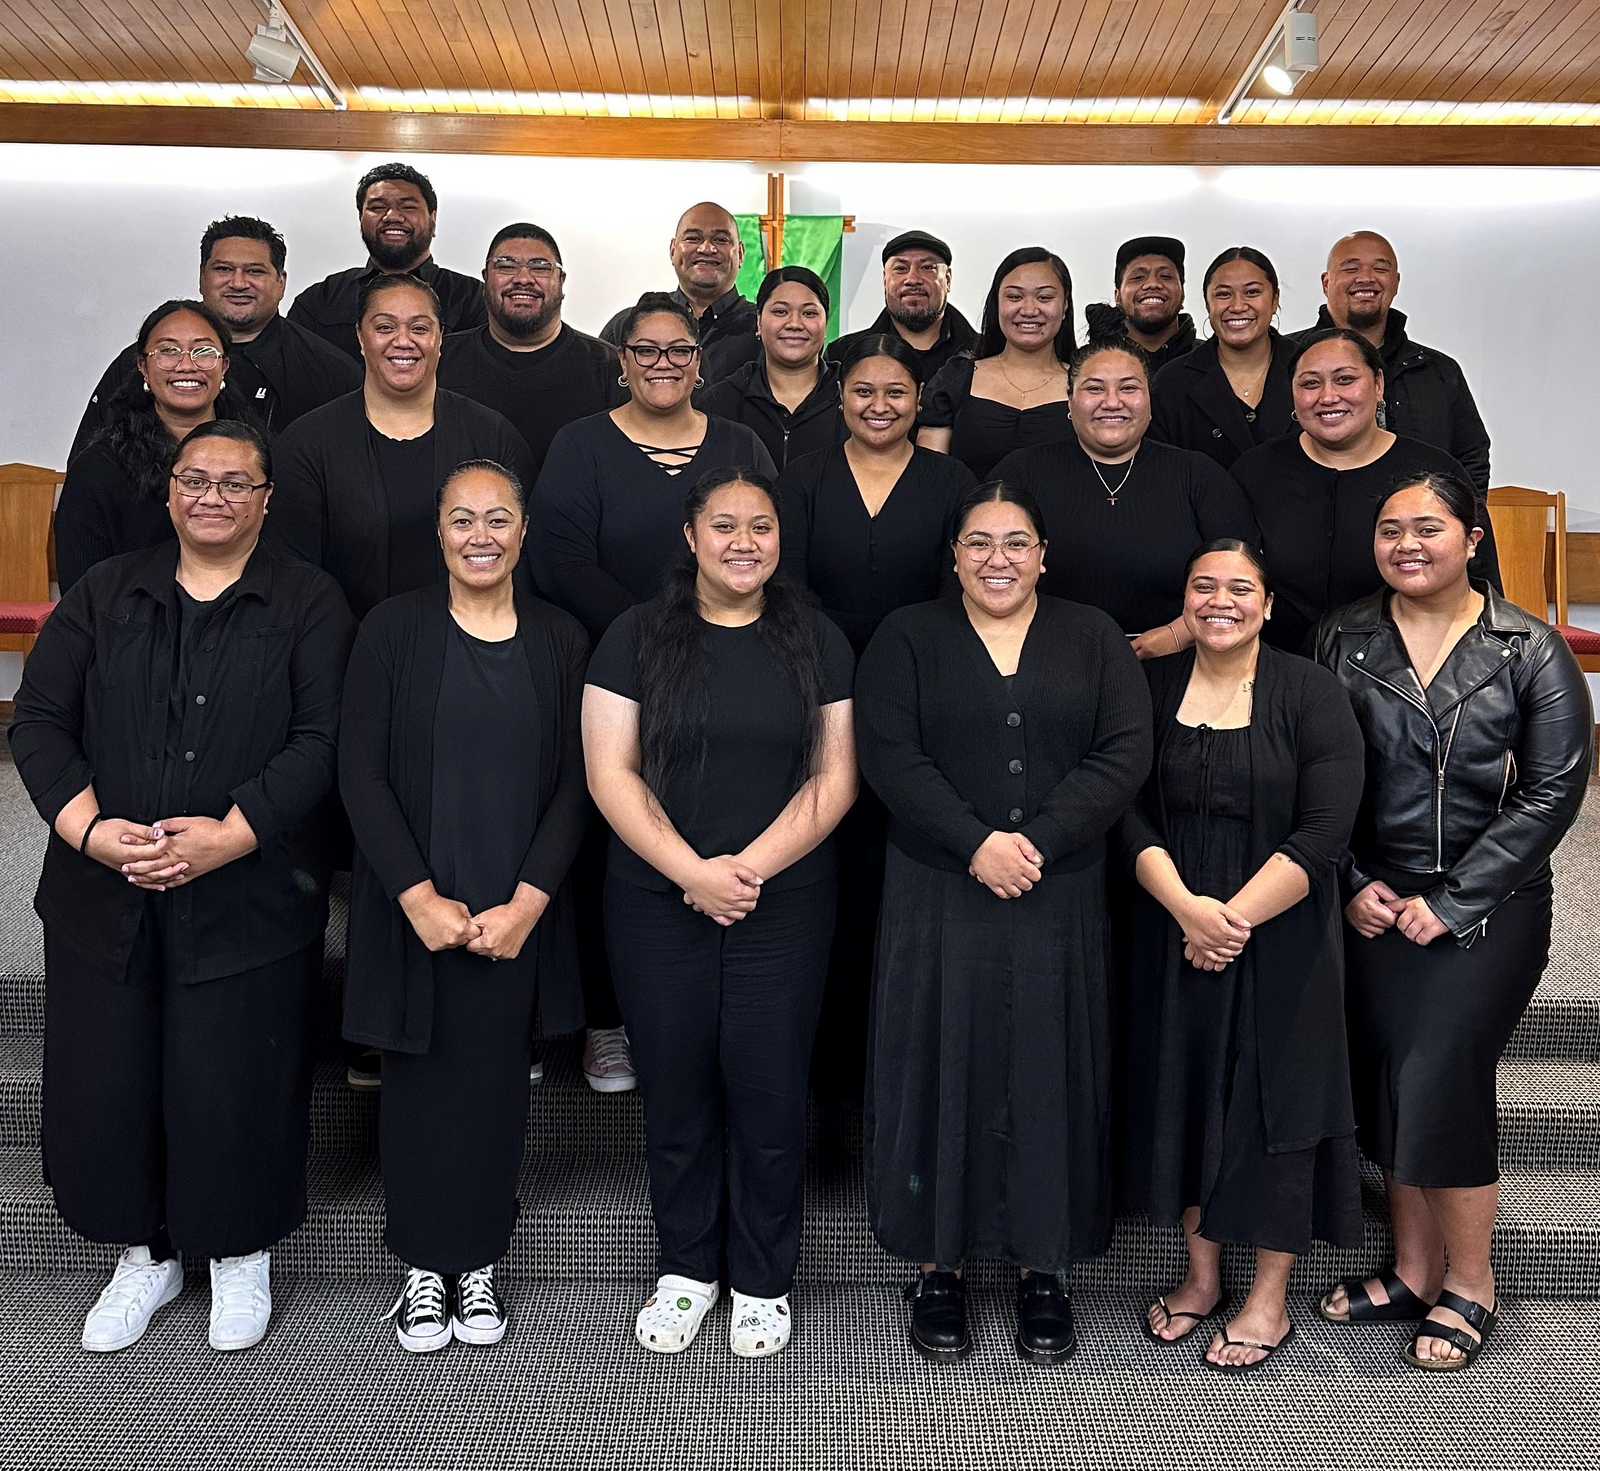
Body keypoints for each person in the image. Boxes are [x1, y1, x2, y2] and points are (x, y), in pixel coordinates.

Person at [9, 420, 354, 1356]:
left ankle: (240, 1251)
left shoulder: (310, 600)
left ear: (266, 500)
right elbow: (38, 720)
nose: (213, 496)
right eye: (196, 479)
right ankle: (145, 1251)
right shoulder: (103, 591)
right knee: (113, 1071)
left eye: (236, 483)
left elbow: (324, 739)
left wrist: (231, 835)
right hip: (104, 888)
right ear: (169, 491)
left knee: (234, 1074)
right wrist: (89, 830)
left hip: (248, 889)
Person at [856, 482, 1151, 1365]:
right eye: (978, 541)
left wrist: (1039, 841)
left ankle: (1042, 1267)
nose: (998, 558)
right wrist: (977, 842)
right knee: (937, 1062)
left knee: (1048, 1067)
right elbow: (890, 754)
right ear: (953, 556)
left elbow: (1123, 751)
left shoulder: (1093, 636)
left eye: (1017, 542)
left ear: (1044, 555)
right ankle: (936, 1265)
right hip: (937, 889)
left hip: (1059, 891)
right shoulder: (907, 635)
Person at [1313, 473, 1590, 1372]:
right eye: (1390, 529)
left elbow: (1552, 793)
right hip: (1372, 898)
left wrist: (1452, 900)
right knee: (1390, 1074)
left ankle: (1472, 1281)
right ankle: (1411, 1268)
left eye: (1428, 528)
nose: (1407, 545)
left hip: (1490, 905)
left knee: (1438, 1072)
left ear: (1472, 539)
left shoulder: (1531, 647)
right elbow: (1316, 769)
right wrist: (1350, 879)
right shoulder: (1343, 635)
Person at [583, 467, 856, 1359]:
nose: (745, 542)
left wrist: (746, 872)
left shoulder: (817, 638)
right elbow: (610, 771)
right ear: (691, 537)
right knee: (676, 1089)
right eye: (725, 525)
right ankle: (687, 1269)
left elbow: (835, 777)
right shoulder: (633, 635)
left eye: (761, 526)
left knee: (770, 1092)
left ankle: (764, 1279)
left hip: (785, 901)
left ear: (781, 539)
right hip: (656, 900)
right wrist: (692, 872)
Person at [339, 460, 588, 1354]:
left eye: (497, 518)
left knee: (493, 1089)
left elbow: (580, 783)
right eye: (461, 519)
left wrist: (527, 903)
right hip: (417, 902)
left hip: (514, 907)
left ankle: (477, 1260)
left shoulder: (562, 638)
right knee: (414, 1088)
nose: (480, 536)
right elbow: (358, 772)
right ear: (438, 532)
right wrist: (416, 895)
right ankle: (420, 1267)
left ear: (523, 531)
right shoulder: (391, 629)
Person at [1117, 540, 1365, 1372]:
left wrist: (1231, 921)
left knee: (1273, 1104)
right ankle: (1201, 1276)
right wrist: (1189, 910)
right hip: (1173, 918)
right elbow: (1126, 811)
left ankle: (1268, 1298)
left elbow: (1326, 830)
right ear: (1183, 600)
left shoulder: (1312, 691)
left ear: (1266, 603)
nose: (1219, 601)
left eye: (1238, 587)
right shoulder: (1152, 688)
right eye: (1203, 586)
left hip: (1283, 927)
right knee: (1189, 1093)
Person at [534, 292, 775, 1092]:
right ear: (622, 361)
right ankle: (609, 1022)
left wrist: (708, 640)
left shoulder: (739, 442)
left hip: (731, 671)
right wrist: (659, 638)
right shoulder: (581, 444)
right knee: (615, 836)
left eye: (679, 350)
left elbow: (764, 544)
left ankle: (717, 1011)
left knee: (714, 824)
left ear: (700, 363)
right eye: (647, 350)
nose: (663, 363)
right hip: (615, 671)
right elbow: (562, 561)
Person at [777, 332, 977, 1095]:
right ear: (839, 397)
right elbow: (786, 586)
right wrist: (828, 672)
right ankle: (822, 1052)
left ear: (919, 400)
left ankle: (897, 1049)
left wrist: (902, 676)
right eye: (864, 391)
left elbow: (960, 589)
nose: (879, 405)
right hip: (812, 690)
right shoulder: (803, 475)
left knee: (900, 866)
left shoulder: (952, 480)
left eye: (896, 392)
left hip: (921, 694)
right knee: (825, 861)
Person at [270, 273, 535, 622]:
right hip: (341, 643)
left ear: (440, 338)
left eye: (420, 328)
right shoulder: (306, 445)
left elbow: (524, 564)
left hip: (474, 642)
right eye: (385, 327)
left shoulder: (493, 437)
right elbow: (293, 577)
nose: (403, 341)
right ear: (360, 337)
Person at [1233, 328, 1501, 655]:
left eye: (1345, 379)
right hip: (1276, 667)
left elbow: (1482, 587)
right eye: (1310, 383)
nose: (1328, 396)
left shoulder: (1433, 472)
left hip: (1408, 669)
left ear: (1378, 385)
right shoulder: (1255, 471)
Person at [990, 339, 1259, 650]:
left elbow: (1244, 577)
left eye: (1128, 388)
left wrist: (1178, 635)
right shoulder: (1022, 472)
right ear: (1069, 402)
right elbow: (981, 564)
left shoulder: (1198, 475)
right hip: (1041, 655)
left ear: (1149, 401)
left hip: (1178, 658)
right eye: (1094, 389)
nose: (1112, 402)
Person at [72, 217, 361, 458]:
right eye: (223, 269)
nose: (238, 283)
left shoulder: (331, 372)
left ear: (280, 282)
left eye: (255, 271)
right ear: (202, 278)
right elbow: (89, 468)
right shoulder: (143, 362)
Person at [56, 299, 256, 592]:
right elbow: (82, 595)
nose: (186, 365)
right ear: (143, 367)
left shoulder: (256, 459)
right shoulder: (97, 471)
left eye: (203, 351)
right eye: (168, 351)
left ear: (224, 366)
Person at [1296, 231, 1491, 490]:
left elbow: (1471, 459)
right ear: (1326, 283)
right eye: (1351, 268)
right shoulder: (1287, 360)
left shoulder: (1439, 371)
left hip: (1417, 515)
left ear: (1396, 282)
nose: (1366, 278)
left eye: (1380, 268)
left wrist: (1455, 514)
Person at [437, 222, 625, 477]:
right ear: (486, 278)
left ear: (561, 280)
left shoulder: (609, 368)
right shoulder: (441, 360)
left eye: (540, 267)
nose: (523, 279)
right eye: (506, 266)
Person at [289, 162, 485, 361]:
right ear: (360, 219)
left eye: (408, 207)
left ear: (432, 220)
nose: (393, 216)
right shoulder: (318, 301)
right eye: (378, 207)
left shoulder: (475, 299)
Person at [919, 247, 1076, 480]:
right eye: (1014, 297)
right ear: (997, 304)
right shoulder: (956, 377)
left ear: (1064, 306)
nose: (1029, 310)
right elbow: (929, 479)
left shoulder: (1088, 383)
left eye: (1044, 297)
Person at [1151, 246, 1297, 469]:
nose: (1237, 306)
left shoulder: (1309, 368)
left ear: (1274, 299)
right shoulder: (1172, 382)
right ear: (1207, 303)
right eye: (1223, 294)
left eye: (1252, 292)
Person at [697, 266, 845, 470]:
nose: (794, 323)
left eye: (809, 313)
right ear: (758, 321)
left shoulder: (851, 397)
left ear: (826, 323)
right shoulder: (720, 402)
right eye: (780, 312)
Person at [599, 203, 757, 384]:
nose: (706, 248)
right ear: (673, 250)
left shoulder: (764, 330)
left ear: (741, 254)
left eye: (721, 240)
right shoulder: (624, 326)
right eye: (693, 238)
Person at [828, 230, 977, 382]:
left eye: (927, 267)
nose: (912, 279)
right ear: (884, 279)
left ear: (947, 280)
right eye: (900, 269)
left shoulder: (984, 353)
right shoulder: (843, 354)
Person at [1084, 236, 1196, 377]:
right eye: (1138, 277)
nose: (1153, 284)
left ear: (1182, 294)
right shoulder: (1089, 364)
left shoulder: (1213, 359)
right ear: (1118, 296)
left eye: (1165, 276)